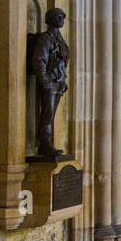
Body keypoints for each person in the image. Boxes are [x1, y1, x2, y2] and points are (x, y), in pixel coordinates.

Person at [31, 8, 70, 159]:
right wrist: (45, 81)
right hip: (50, 82)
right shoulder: (46, 39)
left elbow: (62, 62)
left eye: (63, 17)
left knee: (51, 114)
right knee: (47, 114)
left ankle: (47, 142)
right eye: (59, 16)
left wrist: (63, 80)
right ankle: (44, 143)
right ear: (51, 18)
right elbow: (39, 60)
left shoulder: (59, 39)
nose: (62, 19)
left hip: (58, 82)